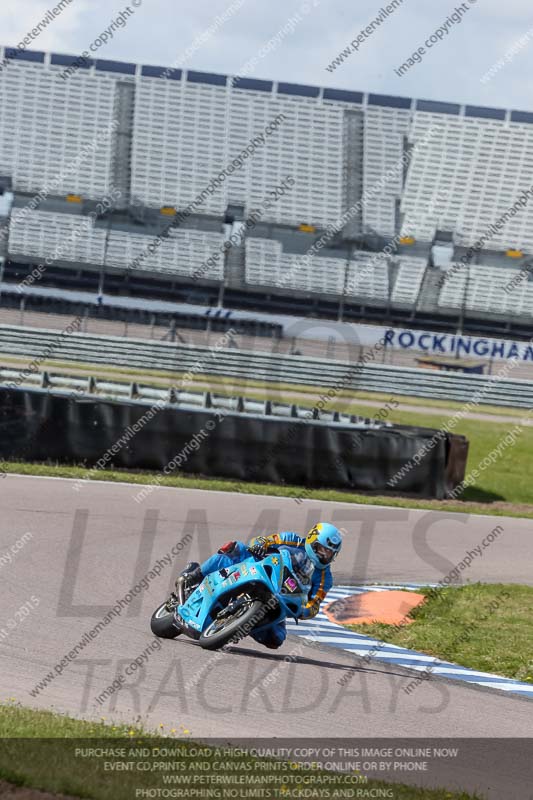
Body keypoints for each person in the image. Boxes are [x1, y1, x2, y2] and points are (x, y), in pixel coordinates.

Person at [176, 523, 343, 650]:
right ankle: (195, 574)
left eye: (329, 553)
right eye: (321, 549)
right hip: (260, 569)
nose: (324, 555)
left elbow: (315, 604)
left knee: (277, 639)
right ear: (312, 541)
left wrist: (305, 610)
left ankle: (239, 624)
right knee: (236, 548)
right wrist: (259, 545)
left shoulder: (325, 578)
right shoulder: (292, 540)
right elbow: (264, 540)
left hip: (281, 598)